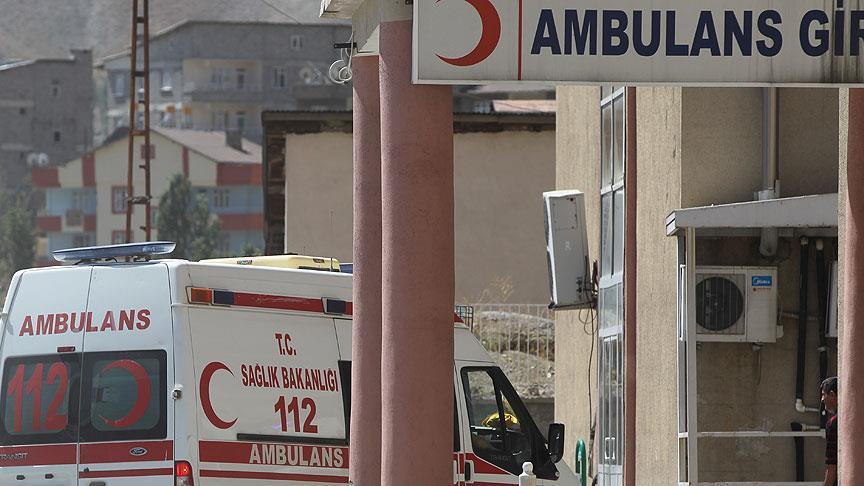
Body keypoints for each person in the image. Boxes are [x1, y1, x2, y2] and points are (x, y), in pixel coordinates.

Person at [821, 376, 838, 486]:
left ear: (832, 395)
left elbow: (831, 466)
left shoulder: (833, 423)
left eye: (823, 394)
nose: (822, 399)